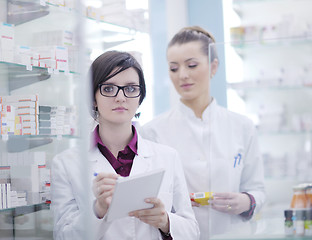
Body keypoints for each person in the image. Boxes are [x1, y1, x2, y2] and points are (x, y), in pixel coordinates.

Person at [51, 50, 200, 240]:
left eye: (130, 88)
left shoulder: (168, 157)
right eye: (108, 88)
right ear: (93, 98)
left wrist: (165, 221)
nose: (120, 97)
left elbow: (192, 231)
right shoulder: (66, 164)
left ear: (140, 97)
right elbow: (63, 235)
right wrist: (98, 211)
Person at [140, 26, 266, 239]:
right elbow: (149, 198)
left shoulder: (242, 126)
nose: (183, 75)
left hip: (233, 233)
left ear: (213, 67)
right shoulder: (152, 132)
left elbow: (258, 189)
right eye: (173, 68)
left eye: (191, 65)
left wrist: (246, 201)